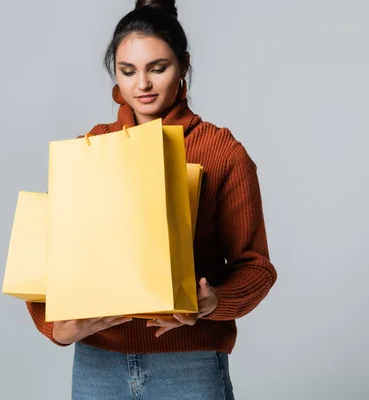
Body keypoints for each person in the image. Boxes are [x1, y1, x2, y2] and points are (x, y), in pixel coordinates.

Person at [26, 1, 277, 398]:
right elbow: (48, 258)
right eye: (128, 71)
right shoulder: (90, 148)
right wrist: (53, 326)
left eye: (157, 68)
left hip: (188, 364)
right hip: (98, 362)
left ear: (184, 66)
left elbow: (256, 267)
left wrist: (213, 302)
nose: (142, 85)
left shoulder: (221, 151)